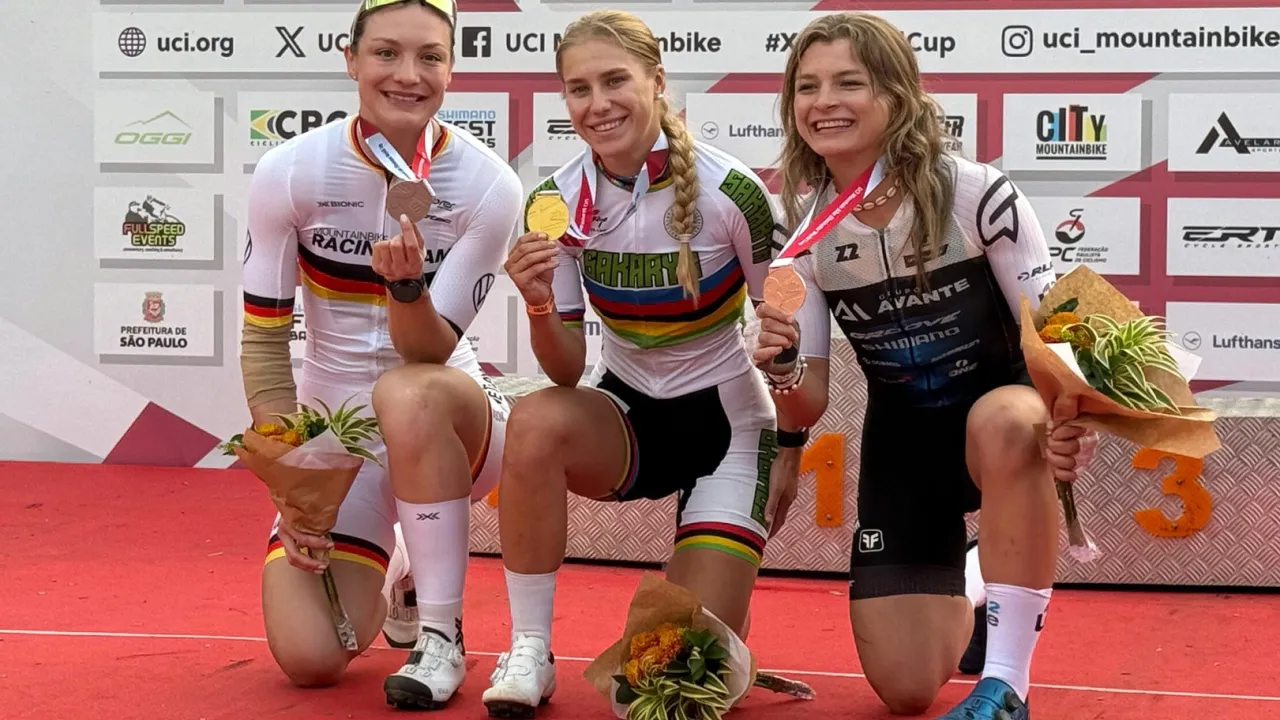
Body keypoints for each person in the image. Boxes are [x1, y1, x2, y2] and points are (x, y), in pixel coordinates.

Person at [750, 12, 1098, 720]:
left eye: (849, 82)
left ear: (897, 93)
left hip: (1003, 420)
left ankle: (1006, 686)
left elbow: (1054, 345)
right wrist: (781, 368)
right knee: (906, 690)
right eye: (807, 87)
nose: (825, 102)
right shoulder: (800, 233)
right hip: (905, 446)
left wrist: (1072, 425)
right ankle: (977, 573)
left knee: (1009, 418)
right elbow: (808, 402)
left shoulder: (976, 194)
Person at [478, 9, 790, 717]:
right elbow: (565, 372)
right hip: (628, 416)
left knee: (672, 685)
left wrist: (794, 444)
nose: (598, 104)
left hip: (727, 427)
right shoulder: (554, 202)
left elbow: (784, 335)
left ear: (656, 81)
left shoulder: (734, 192)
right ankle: (530, 648)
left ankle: (719, 595)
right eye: (579, 88)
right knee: (534, 419)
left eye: (615, 80)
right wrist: (536, 301)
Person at [238, 0, 521, 710]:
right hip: (341, 440)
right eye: (386, 53)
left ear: (452, 70)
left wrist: (405, 288)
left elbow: (427, 351)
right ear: (351, 60)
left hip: (452, 423)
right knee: (310, 658)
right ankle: (399, 566)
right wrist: (293, 482)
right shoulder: (290, 170)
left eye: (430, 56)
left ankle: (440, 629)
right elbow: (265, 341)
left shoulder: (488, 184)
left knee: (409, 393)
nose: (408, 74)